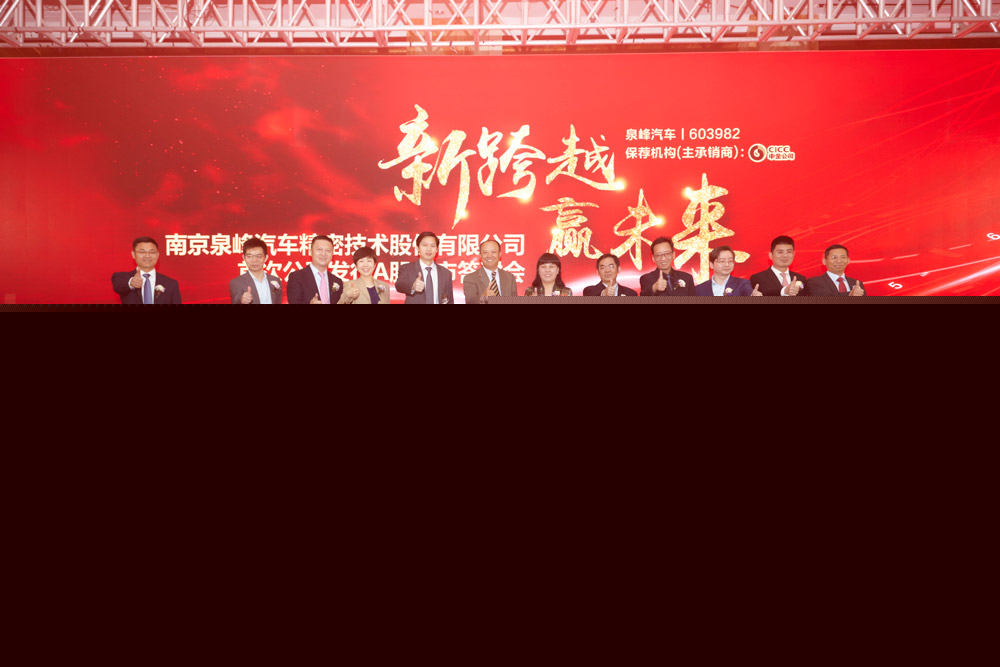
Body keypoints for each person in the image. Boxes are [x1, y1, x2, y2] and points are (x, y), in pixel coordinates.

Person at [111, 236, 182, 304]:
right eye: (142, 252)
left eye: (152, 252)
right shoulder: (121, 278)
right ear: (133, 254)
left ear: (158, 255)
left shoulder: (171, 284)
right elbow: (119, 286)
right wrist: (131, 283)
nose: (147, 255)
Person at [394, 231, 454, 304]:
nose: (428, 249)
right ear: (417, 248)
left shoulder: (446, 273)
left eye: (432, 246)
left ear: (437, 249)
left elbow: (449, 300)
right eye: (425, 245)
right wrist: (413, 286)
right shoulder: (407, 269)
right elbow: (399, 285)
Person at [286, 235, 344, 304]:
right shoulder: (297, 277)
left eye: (328, 250)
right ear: (310, 252)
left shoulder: (337, 281)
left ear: (332, 254)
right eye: (319, 249)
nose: (323, 254)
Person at [462, 237, 518, 303]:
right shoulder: (470, 278)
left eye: (493, 252)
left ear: (500, 254)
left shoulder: (510, 277)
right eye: (485, 252)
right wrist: (483, 297)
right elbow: (470, 301)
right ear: (480, 255)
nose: (489, 256)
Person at [230, 237, 283, 304]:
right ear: (244, 257)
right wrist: (241, 300)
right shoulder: (236, 282)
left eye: (258, 256)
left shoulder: (276, 281)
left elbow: (278, 300)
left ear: (266, 258)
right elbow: (236, 300)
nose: (254, 260)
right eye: (249, 256)